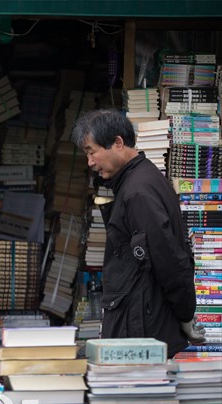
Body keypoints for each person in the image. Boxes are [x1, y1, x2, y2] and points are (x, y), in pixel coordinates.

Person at [72, 109, 205, 357]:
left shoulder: (137, 192)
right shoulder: (142, 178)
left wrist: (185, 314)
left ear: (118, 143)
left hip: (141, 326)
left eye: (92, 152)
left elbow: (168, 260)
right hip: (144, 318)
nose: (90, 162)